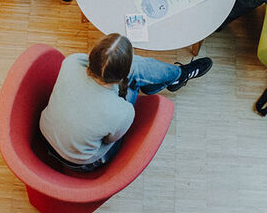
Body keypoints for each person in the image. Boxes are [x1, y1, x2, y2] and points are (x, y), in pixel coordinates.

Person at [39, 33, 213, 171]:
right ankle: (178, 75)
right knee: (136, 76)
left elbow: (100, 67)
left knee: (134, 69)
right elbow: (110, 140)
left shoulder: (71, 61)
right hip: (81, 162)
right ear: (123, 74)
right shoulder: (123, 111)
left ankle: (175, 77)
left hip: (45, 136)